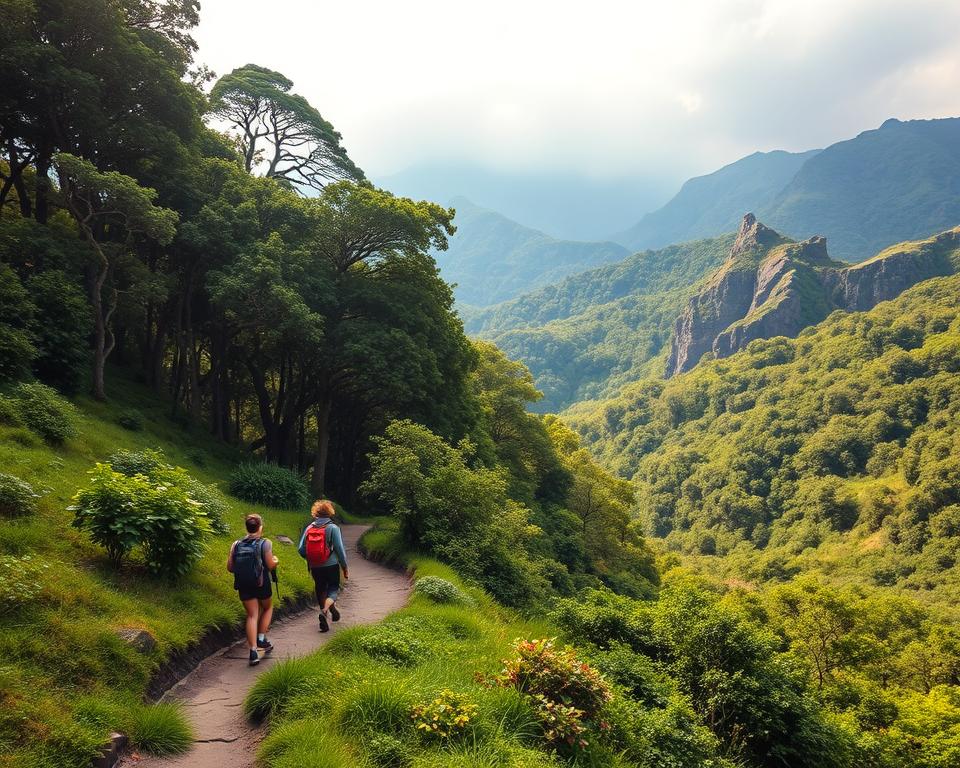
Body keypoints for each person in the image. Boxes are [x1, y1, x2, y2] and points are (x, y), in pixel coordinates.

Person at [227, 514, 279, 666]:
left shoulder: (236, 544)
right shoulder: (265, 543)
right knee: (268, 607)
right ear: (260, 527)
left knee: (252, 615)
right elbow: (270, 565)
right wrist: (276, 561)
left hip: (243, 584)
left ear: (246, 527)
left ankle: (253, 651)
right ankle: (261, 638)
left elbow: (230, 568)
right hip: (261, 583)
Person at [298, 499, 348, 632]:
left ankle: (327, 613)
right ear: (330, 512)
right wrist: (344, 566)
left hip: (315, 567)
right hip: (331, 565)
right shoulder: (333, 528)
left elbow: (301, 549)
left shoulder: (309, 528)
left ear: (316, 512)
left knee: (320, 589)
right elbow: (339, 549)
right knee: (333, 589)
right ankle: (325, 610)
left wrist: (311, 558)